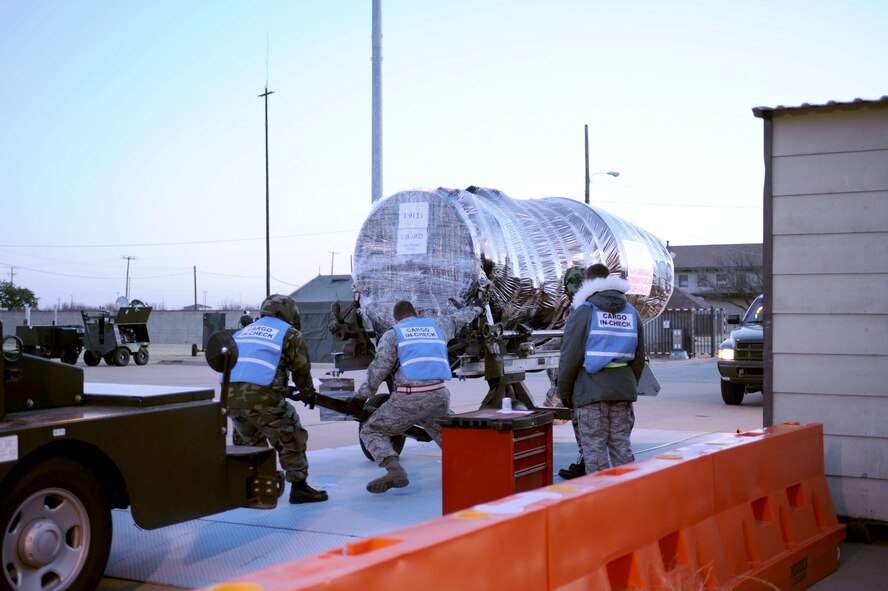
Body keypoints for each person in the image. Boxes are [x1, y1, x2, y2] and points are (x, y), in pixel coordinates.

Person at [354, 299, 483, 494]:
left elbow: (378, 370)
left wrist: (360, 396)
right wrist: (478, 307)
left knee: (371, 430)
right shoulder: (437, 326)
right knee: (444, 434)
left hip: (409, 399)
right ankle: (471, 468)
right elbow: (459, 318)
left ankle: (394, 469)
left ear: (395, 319)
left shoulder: (393, 334)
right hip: (439, 395)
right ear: (416, 315)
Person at [227, 294, 328, 504]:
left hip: (231, 401)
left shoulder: (242, 332)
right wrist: (308, 393)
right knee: (290, 436)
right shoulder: (289, 334)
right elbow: (301, 369)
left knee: (251, 443)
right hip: (264, 400)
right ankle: (300, 487)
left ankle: (254, 485)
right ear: (289, 312)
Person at [557, 263, 645, 474]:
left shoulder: (584, 312)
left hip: (590, 393)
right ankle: (630, 496)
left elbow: (570, 357)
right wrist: (626, 384)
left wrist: (564, 392)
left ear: (588, 284)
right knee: (622, 448)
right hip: (622, 392)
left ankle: (600, 503)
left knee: (594, 451)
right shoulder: (632, 312)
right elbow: (639, 358)